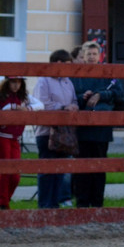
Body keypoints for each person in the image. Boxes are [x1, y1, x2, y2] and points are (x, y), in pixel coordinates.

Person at [71, 40, 124, 208]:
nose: (92, 57)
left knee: (100, 166)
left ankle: (97, 203)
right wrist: (83, 97)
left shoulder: (107, 72)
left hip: (102, 128)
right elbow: (71, 96)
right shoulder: (77, 75)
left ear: (100, 56)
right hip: (82, 129)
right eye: (89, 54)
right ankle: (82, 202)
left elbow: (118, 93)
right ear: (83, 56)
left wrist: (101, 95)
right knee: (82, 167)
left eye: (95, 54)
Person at [33, 49, 77, 209]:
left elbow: (74, 100)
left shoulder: (68, 82)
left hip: (64, 132)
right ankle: (45, 205)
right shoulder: (43, 81)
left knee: (60, 169)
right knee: (46, 170)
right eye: (66, 65)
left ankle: (56, 204)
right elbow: (41, 104)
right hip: (47, 132)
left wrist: (73, 107)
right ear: (58, 64)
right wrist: (63, 107)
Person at [0, 75, 30, 209]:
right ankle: (3, 203)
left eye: (19, 82)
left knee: (15, 176)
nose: (16, 85)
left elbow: (40, 105)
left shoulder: (23, 97)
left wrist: (27, 109)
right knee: (5, 171)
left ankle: (5, 201)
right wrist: (13, 106)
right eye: (13, 82)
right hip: (2, 137)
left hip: (15, 139)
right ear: (7, 82)